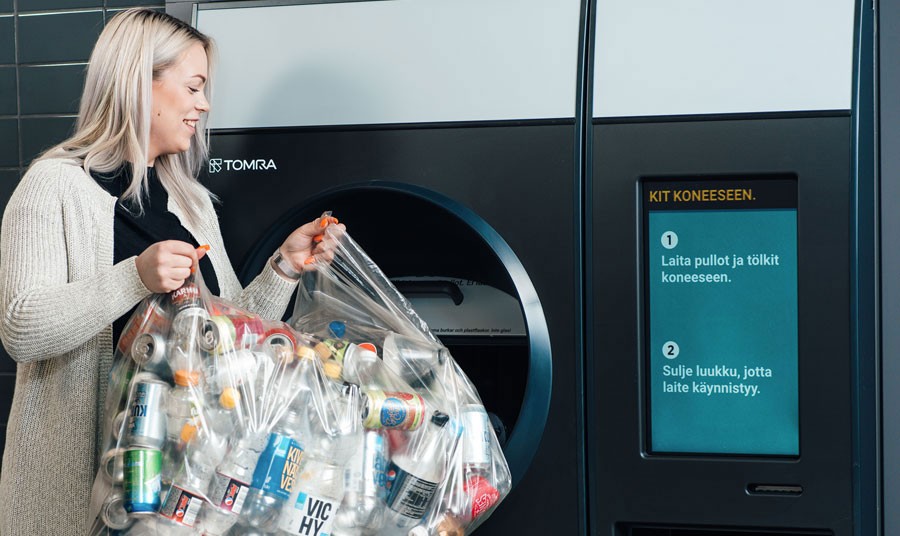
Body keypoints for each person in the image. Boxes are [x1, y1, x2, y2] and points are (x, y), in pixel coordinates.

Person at [0, 8, 340, 534]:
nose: (204, 105)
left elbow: (228, 336)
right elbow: (21, 328)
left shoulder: (191, 202)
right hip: (77, 503)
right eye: (194, 86)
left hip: (178, 501)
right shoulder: (52, 187)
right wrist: (133, 276)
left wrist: (285, 269)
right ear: (141, 84)